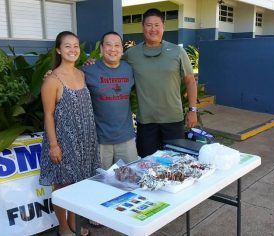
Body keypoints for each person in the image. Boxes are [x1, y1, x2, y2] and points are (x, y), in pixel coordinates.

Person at [39, 31, 99, 236]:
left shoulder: (82, 74)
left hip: (85, 140)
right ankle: (63, 228)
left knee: (78, 183)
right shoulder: (52, 80)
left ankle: (73, 222)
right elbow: (48, 115)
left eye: (76, 46)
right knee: (63, 185)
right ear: (58, 50)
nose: (73, 50)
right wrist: (54, 145)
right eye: (67, 46)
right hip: (63, 141)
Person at [123, 8, 198, 157]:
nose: (153, 29)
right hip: (146, 122)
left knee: (175, 164)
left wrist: (193, 110)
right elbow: (113, 66)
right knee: (147, 164)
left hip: (173, 120)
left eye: (157, 25)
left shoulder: (177, 51)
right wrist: (92, 64)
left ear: (163, 27)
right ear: (143, 27)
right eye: (149, 25)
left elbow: (190, 81)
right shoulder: (131, 54)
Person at [82, 31, 138, 169]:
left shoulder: (130, 69)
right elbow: (66, 77)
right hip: (100, 141)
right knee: (100, 183)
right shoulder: (88, 70)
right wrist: (50, 75)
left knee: (130, 180)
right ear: (101, 48)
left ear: (122, 49)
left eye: (117, 45)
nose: (113, 49)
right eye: (108, 45)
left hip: (126, 139)